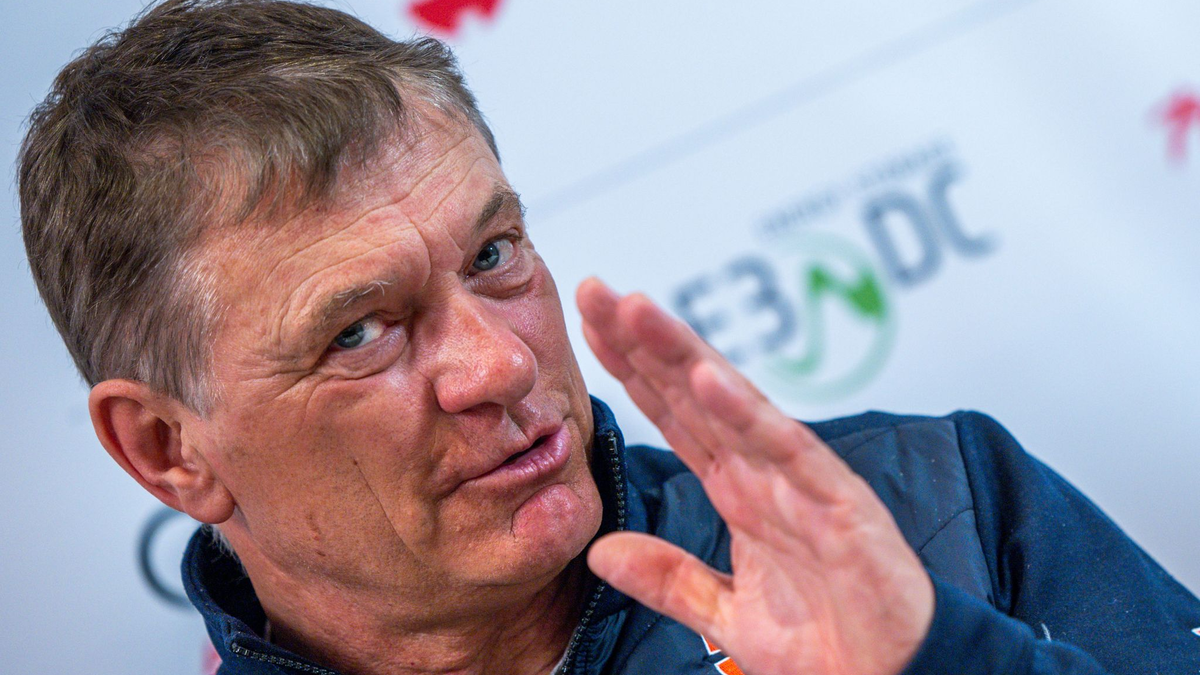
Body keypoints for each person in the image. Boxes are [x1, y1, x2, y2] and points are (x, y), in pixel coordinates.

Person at [17, 1, 1200, 673]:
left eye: (493, 255)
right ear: (169, 451)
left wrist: (942, 663)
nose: (500, 364)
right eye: (362, 331)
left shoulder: (936, 509)